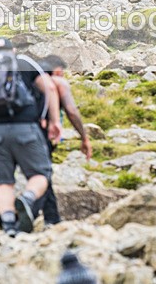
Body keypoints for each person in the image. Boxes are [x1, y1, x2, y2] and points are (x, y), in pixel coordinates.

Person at [0, 38, 62, 237]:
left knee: (4, 183)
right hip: (27, 128)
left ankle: (9, 226)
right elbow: (50, 88)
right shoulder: (25, 64)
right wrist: (53, 121)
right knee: (40, 174)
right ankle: (27, 198)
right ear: (13, 50)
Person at [38, 54, 92, 226]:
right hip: (41, 135)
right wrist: (84, 137)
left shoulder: (26, 79)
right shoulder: (56, 82)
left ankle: (10, 215)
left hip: (12, 131)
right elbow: (72, 111)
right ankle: (51, 219)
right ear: (58, 70)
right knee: (43, 175)